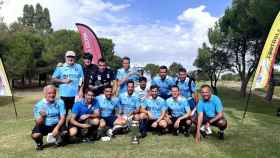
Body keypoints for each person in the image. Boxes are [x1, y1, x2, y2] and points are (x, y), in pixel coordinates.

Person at [31, 85, 66, 150]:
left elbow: (63, 117)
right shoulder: (38, 105)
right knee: (35, 135)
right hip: (44, 125)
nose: (52, 95)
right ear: (45, 94)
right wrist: (42, 116)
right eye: (49, 93)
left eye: (54, 93)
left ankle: (59, 140)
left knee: (65, 133)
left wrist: (56, 128)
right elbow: (37, 122)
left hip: (56, 123)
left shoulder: (60, 102)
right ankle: (39, 143)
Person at [52, 51, 84, 116]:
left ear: (75, 58)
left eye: (72, 57)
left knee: (75, 114)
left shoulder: (79, 66)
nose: (70, 58)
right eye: (68, 57)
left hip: (76, 96)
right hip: (64, 96)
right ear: (65, 58)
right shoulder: (61, 67)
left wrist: (81, 90)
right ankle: (63, 126)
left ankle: (72, 126)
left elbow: (82, 79)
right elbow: (53, 79)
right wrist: (63, 81)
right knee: (63, 114)